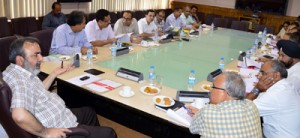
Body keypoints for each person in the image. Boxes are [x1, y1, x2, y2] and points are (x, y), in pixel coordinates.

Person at [3, 37, 116, 138]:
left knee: (88, 112)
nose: (41, 58)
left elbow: (38, 91)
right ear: (20, 60)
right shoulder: (19, 79)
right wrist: (45, 132)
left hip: (57, 114)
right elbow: (19, 115)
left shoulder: (16, 71)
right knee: (109, 133)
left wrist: (53, 74)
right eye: (35, 55)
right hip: (58, 127)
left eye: (40, 54)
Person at [188, 72, 262, 137]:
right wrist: (200, 113)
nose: (210, 90)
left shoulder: (208, 112)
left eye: (213, 87)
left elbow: (193, 129)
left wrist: (200, 114)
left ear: (226, 93)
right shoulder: (251, 105)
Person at [246, 60, 300, 137]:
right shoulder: (284, 86)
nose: (259, 76)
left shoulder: (275, 95)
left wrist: (257, 88)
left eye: (263, 73)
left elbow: (243, 110)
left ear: (276, 76)